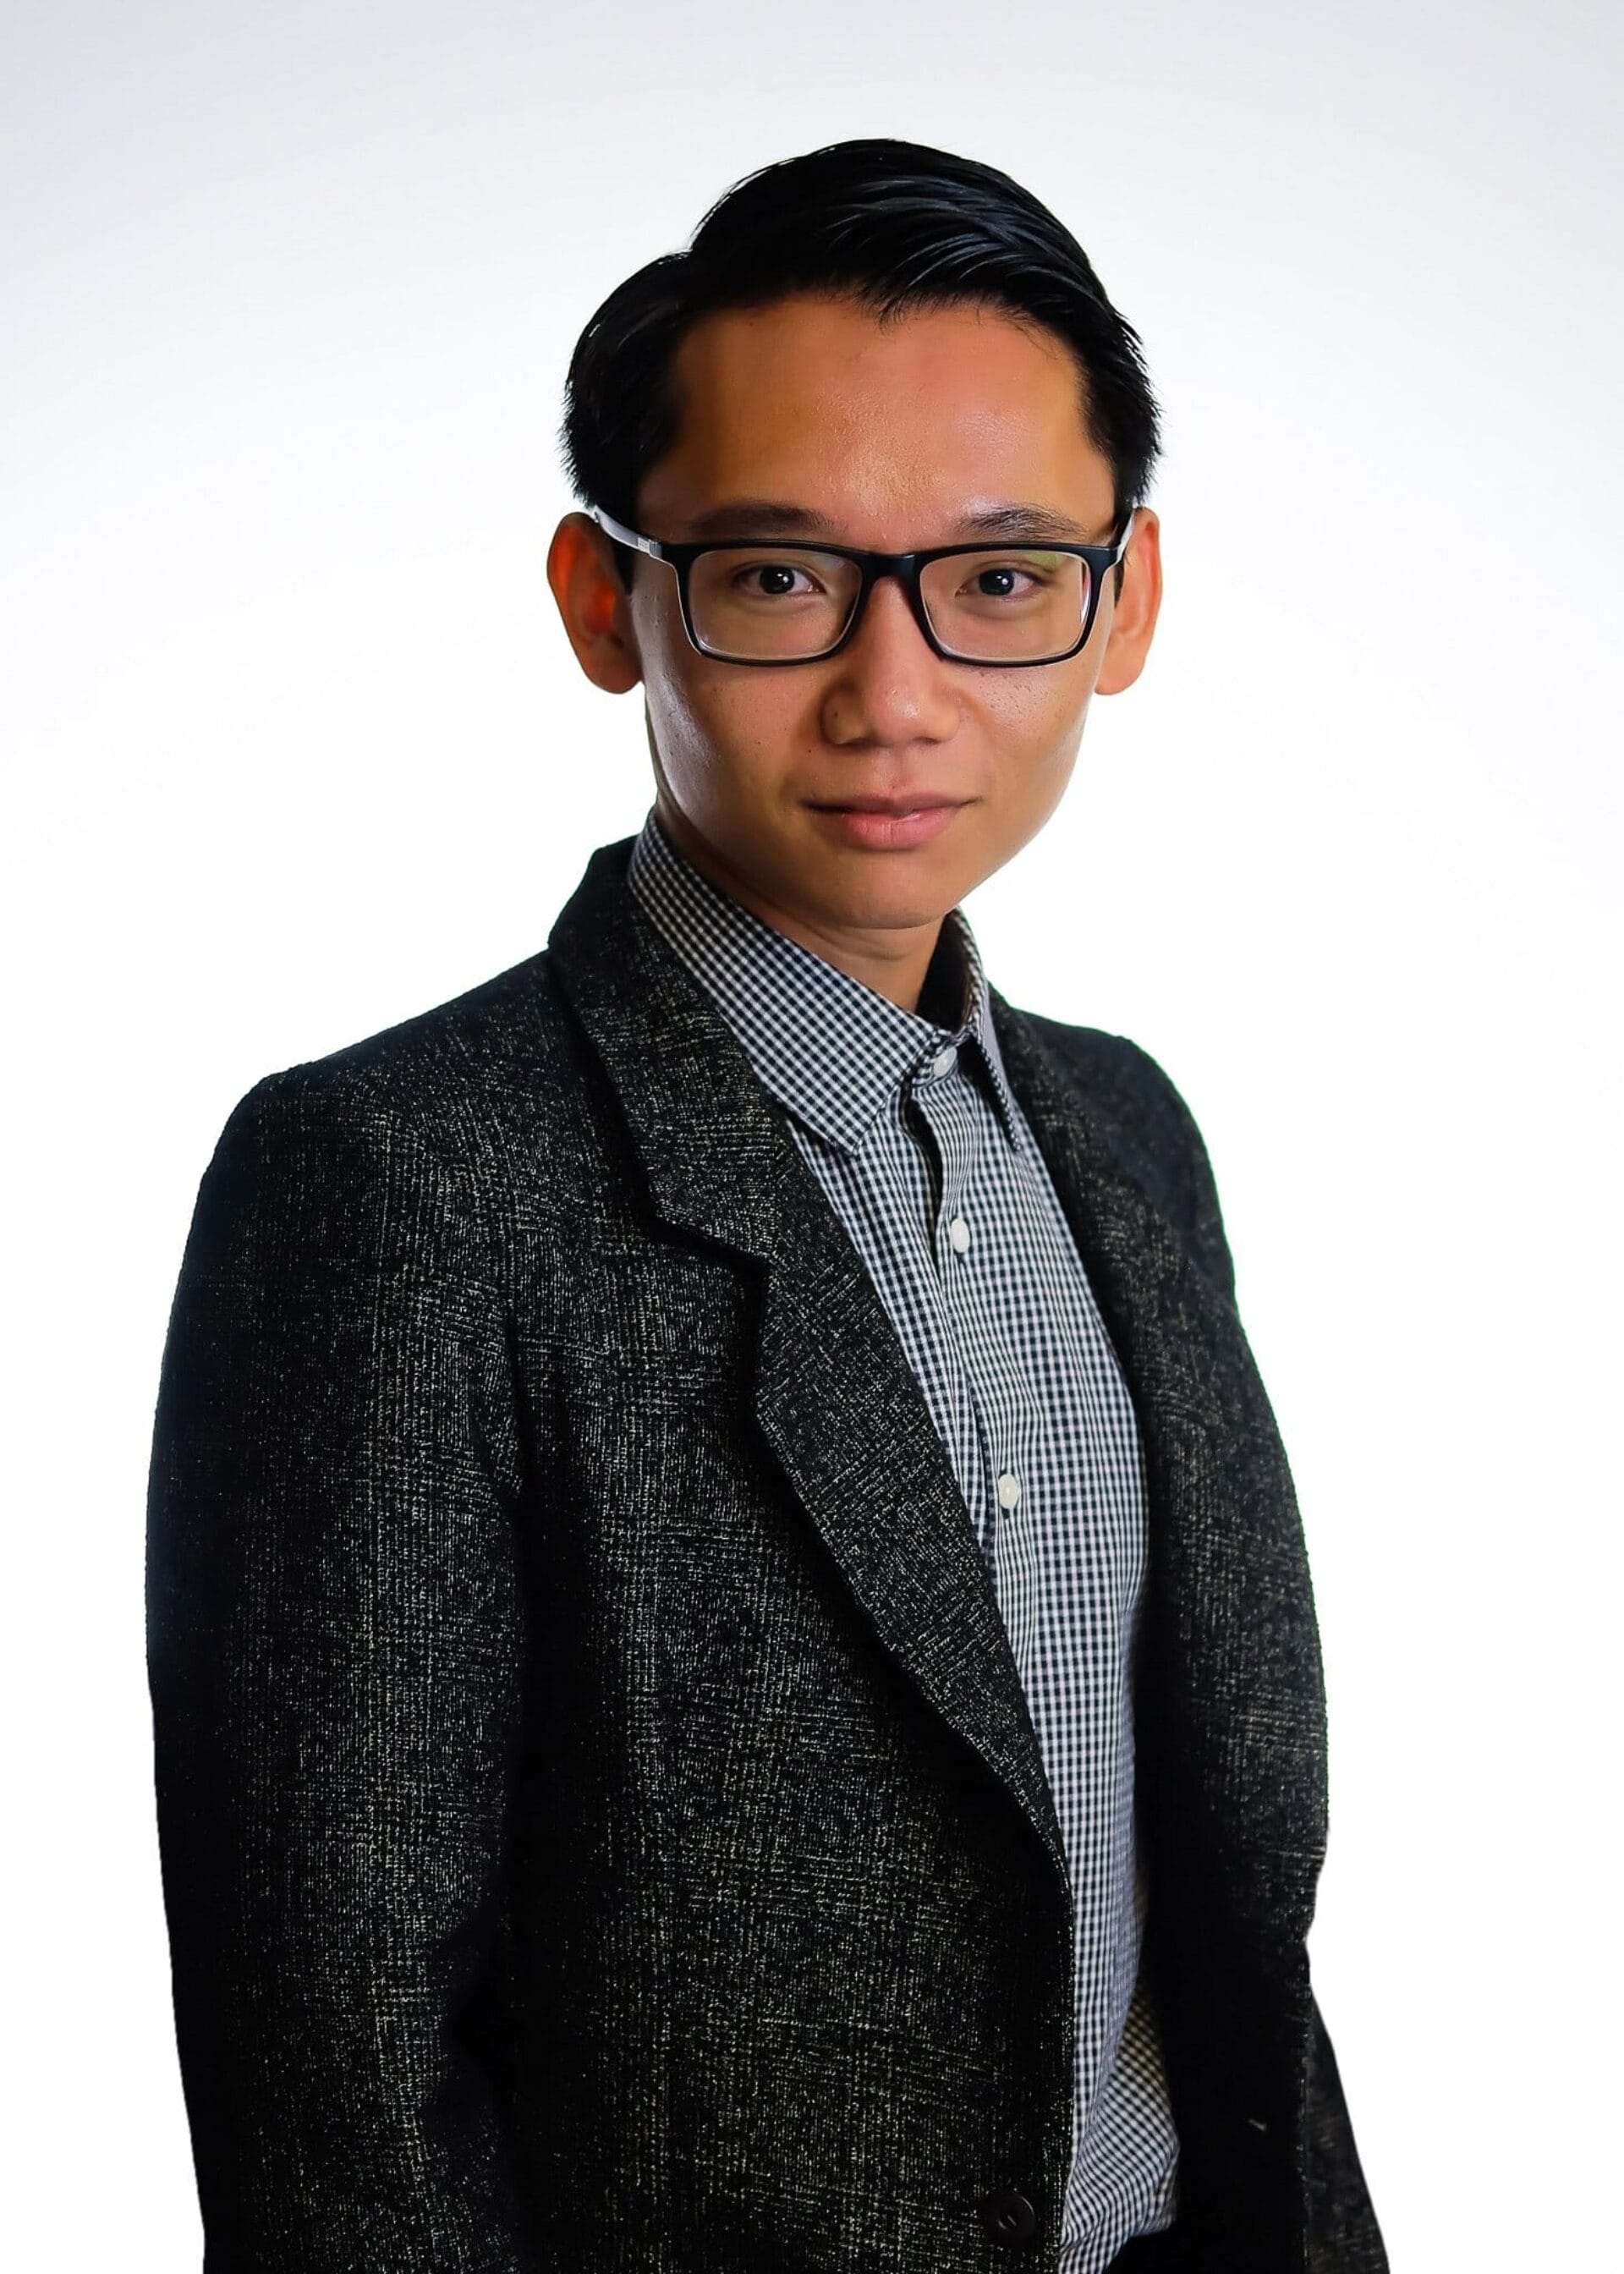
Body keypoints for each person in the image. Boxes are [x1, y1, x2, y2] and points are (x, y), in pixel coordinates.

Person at [145, 137, 1387, 2273]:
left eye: (1003, 580)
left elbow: (1218, 1913)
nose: (896, 697)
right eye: (782, 575)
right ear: (601, 598)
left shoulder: (1126, 1135)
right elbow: (338, 2084)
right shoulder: (396, 1182)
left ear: (1127, 602)